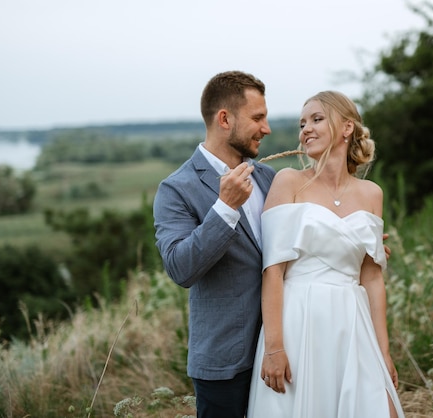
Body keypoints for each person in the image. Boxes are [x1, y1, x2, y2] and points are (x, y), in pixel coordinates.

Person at [247, 91, 405, 417]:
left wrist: (383, 351)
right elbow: (273, 270)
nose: (306, 129)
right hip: (299, 319)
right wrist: (275, 347)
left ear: (347, 128)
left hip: (352, 321)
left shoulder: (371, 193)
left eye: (317, 119)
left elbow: (372, 277)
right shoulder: (288, 182)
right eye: (302, 123)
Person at [152, 70, 276, 418]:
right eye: (257, 118)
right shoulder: (176, 189)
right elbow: (180, 268)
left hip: (280, 352)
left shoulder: (269, 178)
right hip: (224, 362)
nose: (266, 129)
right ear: (225, 119)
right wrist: (225, 208)